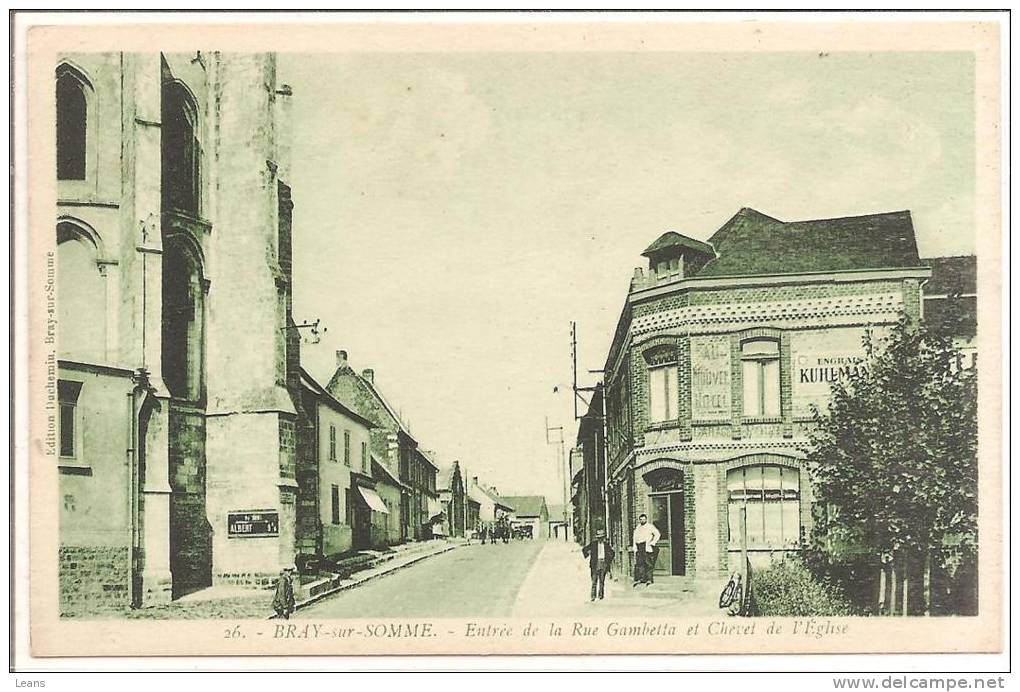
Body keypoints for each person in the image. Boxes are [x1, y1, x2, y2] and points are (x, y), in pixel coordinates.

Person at [582, 528, 615, 601]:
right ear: (597, 538)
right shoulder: (593, 544)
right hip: (595, 564)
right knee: (594, 581)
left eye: (602, 537)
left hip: (603, 563)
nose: (600, 539)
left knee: (602, 581)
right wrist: (588, 553)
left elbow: (612, 553)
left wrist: (608, 560)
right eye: (599, 538)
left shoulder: (606, 545)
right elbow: (584, 549)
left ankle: (601, 596)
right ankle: (593, 596)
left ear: (603, 538)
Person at [630, 513, 661, 586]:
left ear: (646, 519)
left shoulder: (650, 527)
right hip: (639, 546)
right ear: (639, 520)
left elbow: (657, 534)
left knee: (648, 563)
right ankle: (642, 578)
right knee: (640, 563)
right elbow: (634, 538)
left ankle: (649, 579)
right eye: (641, 519)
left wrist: (653, 542)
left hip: (646, 546)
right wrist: (635, 546)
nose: (642, 521)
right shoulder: (638, 527)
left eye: (644, 519)